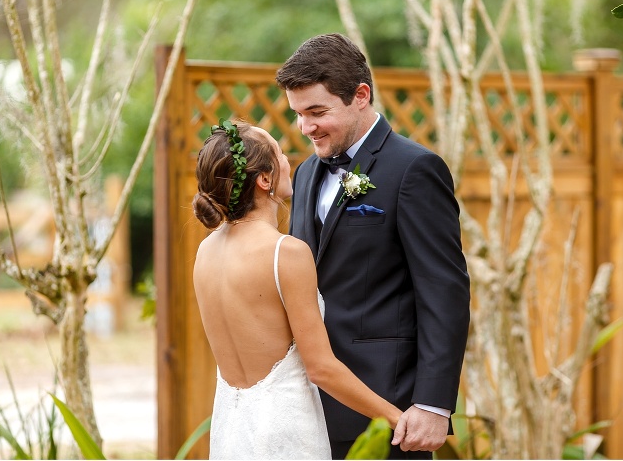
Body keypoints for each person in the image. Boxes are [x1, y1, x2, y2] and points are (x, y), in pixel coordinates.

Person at [276, 33, 471, 460]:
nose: (305, 127)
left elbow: (444, 292)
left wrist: (433, 404)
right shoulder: (306, 173)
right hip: (311, 408)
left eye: (316, 112)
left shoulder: (415, 169)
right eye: (297, 114)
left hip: (391, 410)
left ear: (360, 96)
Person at [192, 119, 403, 459]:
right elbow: (321, 368)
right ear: (265, 179)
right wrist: (397, 417)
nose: (288, 158)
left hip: (231, 433)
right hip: (286, 435)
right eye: (279, 151)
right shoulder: (285, 253)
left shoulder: (206, 251)